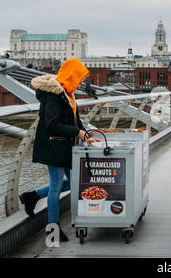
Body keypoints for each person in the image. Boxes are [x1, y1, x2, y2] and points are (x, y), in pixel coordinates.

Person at [19, 58, 101, 242]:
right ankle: (53, 230)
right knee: (56, 186)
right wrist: (77, 132)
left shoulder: (68, 93)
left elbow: (74, 120)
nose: (80, 82)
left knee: (75, 183)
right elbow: (52, 124)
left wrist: (86, 135)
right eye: (79, 78)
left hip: (65, 146)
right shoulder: (53, 95)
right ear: (71, 76)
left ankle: (33, 196)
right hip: (53, 145)